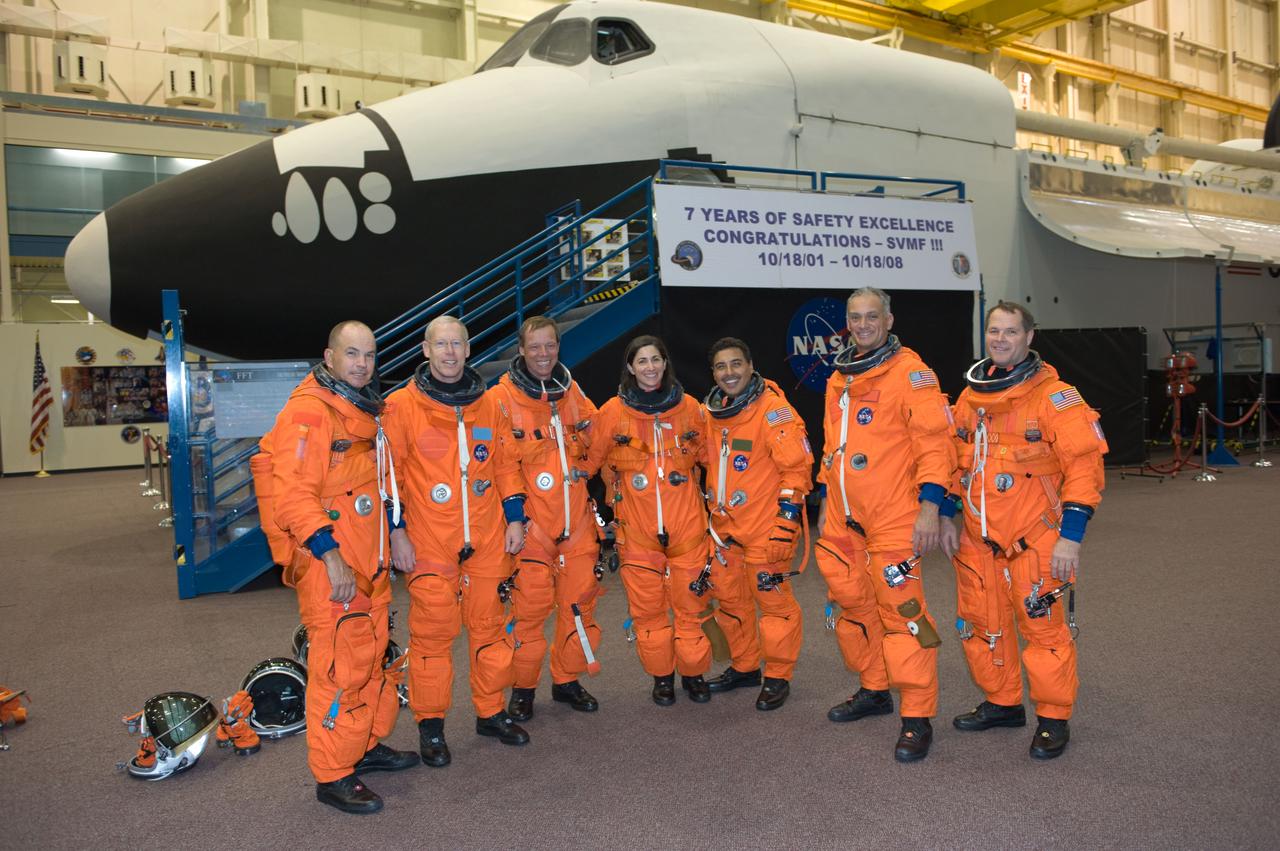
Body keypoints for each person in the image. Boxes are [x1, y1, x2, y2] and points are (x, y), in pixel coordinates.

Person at [260, 321, 417, 815]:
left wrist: (394, 532)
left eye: (369, 356)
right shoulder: (309, 413)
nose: (362, 364)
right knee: (338, 670)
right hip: (334, 567)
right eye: (352, 354)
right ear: (329, 356)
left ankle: (363, 747)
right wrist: (329, 556)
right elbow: (291, 496)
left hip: (369, 563)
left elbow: (382, 481)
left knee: (371, 662)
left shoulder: (366, 413)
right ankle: (332, 774)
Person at [945, 301, 1107, 760]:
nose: (1000, 339)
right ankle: (1002, 702)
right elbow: (959, 460)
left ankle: (1054, 717)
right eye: (994, 330)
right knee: (983, 622)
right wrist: (945, 511)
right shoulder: (971, 398)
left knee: (1044, 631)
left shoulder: (1056, 398)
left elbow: (1084, 467)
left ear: (1029, 337)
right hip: (980, 538)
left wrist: (1070, 537)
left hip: (1035, 537)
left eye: (1010, 331)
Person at [813, 288, 957, 762]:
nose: (863, 324)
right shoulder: (841, 376)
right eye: (855, 317)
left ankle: (917, 716)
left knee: (904, 613)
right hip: (842, 514)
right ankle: (874, 687)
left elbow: (936, 445)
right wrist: (824, 503)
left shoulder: (911, 374)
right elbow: (833, 447)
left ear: (889, 319)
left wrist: (931, 508)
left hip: (894, 514)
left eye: (872, 316)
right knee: (853, 603)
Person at [381, 316, 529, 768]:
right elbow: (391, 476)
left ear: (468, 350)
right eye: (440, 345)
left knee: (490, 629)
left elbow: (505, 465)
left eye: (456, 345)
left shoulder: (490, 404)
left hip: (486, 536)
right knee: (432, 637)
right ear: (425, 351)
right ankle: (432, 727)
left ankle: (490, 711)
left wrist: (516, 518)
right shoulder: (401, 406)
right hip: (428, 539)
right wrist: (397, 531)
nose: (449, 353)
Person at [586, 335, 713, 705]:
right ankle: (662, 677)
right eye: (642, 361)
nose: (650, 367)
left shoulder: (689, 408)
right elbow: (587, 465)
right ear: (630, 367)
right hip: (637, 531)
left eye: (656, 359)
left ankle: (694, 673)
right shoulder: (612, 412)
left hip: (686, 527)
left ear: (665, 362)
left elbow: (712, 459)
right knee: (648, 611)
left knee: (691, 607)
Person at [490, 316, 603, 720]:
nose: (543, 354)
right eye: (534, 347)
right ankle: (523, 690)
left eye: (550, 346)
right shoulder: (500, 399)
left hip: (576, 523)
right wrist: (515, 519)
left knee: (579, 608)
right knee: (529, 613)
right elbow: (497, 465)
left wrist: (587, 467)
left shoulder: (571, 392)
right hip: (532, 527)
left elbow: (596, 436)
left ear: (559, 347)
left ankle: (567, 679)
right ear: (521, 350)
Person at [699, 337, 813, 711]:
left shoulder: (773, 412)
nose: (728, 373)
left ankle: (778, 675)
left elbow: (796, 471)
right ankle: (745, 665)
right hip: (726, 529)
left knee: (775, 607)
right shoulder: (711, 415)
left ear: (750, 366)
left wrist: (786, 523)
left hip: (766, 528)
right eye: (720, 367)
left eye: (735, 364)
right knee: (730, 602)